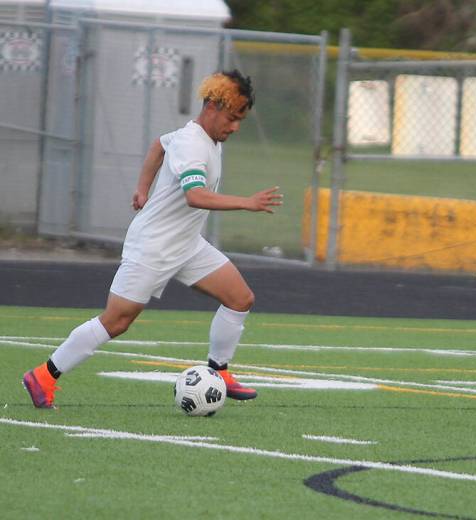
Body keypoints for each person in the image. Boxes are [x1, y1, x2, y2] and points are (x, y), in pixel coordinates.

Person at [22, 70, 283, 409]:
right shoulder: (193, 144)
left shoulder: (195, 137)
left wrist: (142, 188)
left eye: (240, 121)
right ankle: (43, 375)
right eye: (232, 118)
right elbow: (196, 196)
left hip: (186, 244)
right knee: (117, 320)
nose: (234, 127)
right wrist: (247, 203)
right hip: (154, 246)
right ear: (213, 106)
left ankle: (219, 370)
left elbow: (158, 145)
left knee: (239, 298)